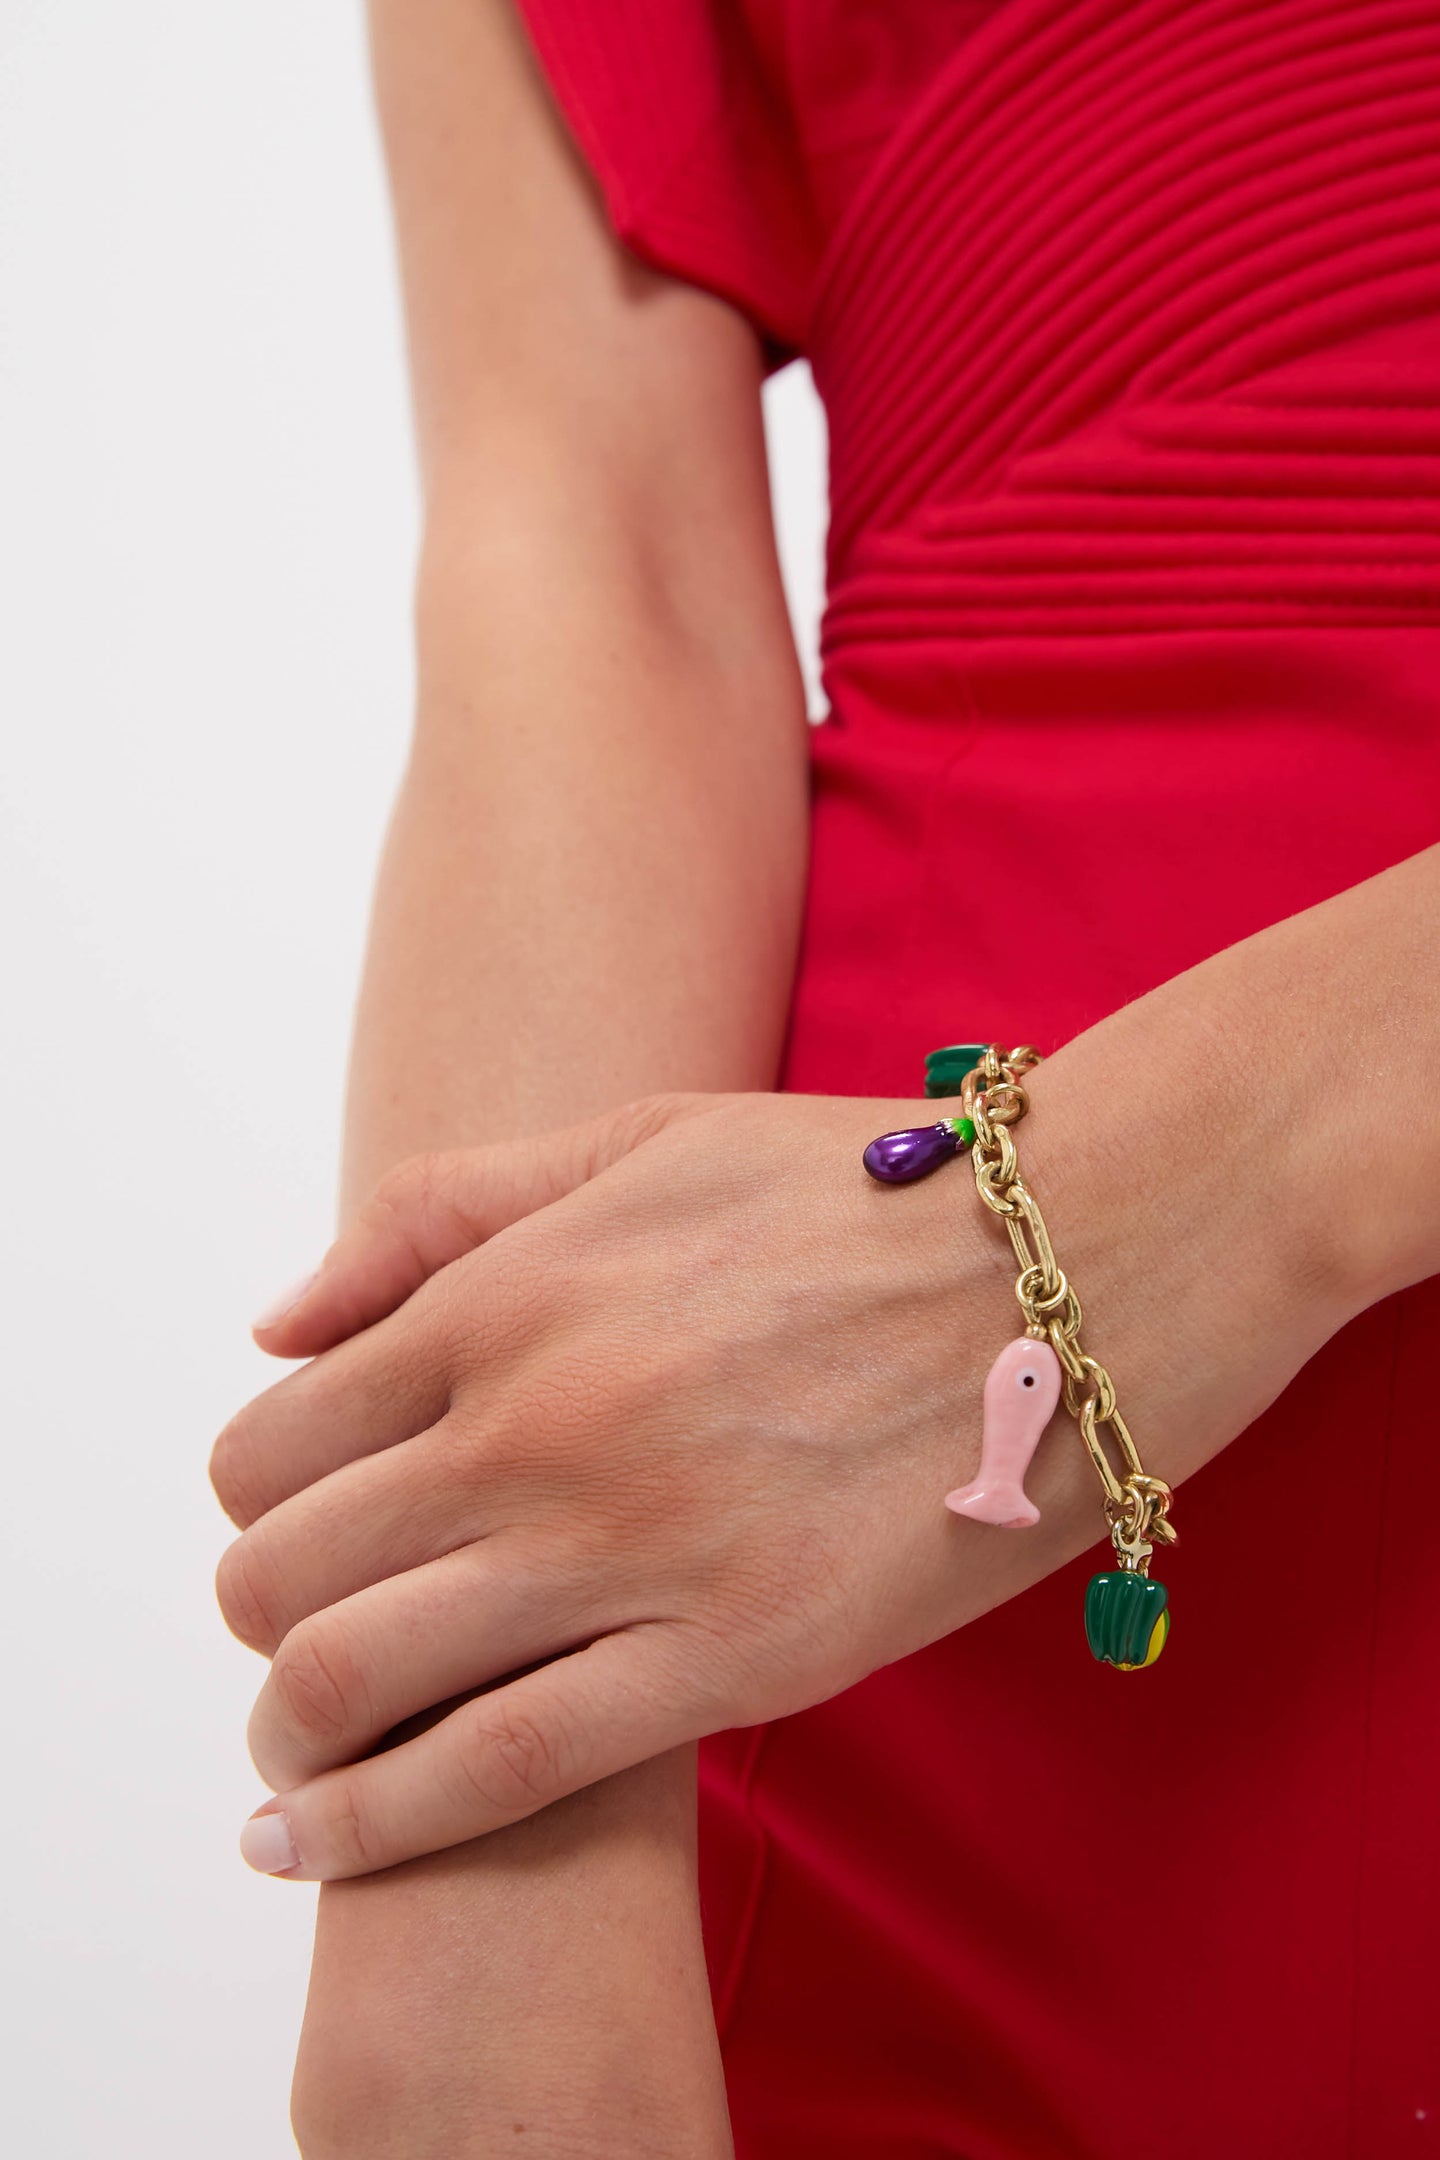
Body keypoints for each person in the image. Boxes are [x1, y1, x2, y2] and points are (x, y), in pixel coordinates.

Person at [210, 1, 1440, 2152]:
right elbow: (587, 587)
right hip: (908, 1593)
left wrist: (1166, 1200)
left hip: (956, 1355)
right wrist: (504, 1818)